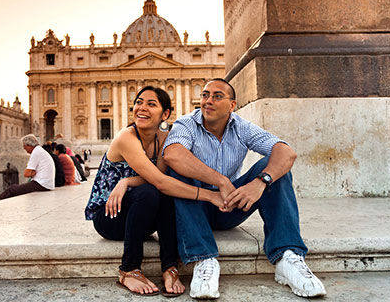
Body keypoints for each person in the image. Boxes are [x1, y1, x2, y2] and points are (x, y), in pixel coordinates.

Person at [162, 78, 327, 299]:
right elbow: (172, 154)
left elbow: (286, 153)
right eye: (205, 95)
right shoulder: (186, 123)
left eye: (217, 96)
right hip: (194, 205)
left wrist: (260, 182)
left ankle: (287, 257)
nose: (208, 101)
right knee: (180, 168)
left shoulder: (242, 127)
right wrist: (220, 181)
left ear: (232, 105)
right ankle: (204, 260)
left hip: (230, 205)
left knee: (273, 166)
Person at [85, 86, 223, 297]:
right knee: (153, 190)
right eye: (139, 102)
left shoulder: (164, 138)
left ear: (165, 114)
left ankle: (169, 267)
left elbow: (158, 176)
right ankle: (128, 269)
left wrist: (126, 182)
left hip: (141, 215)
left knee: (164, 191)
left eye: (151, 104)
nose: (142, 108)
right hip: (109, 216)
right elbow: (158, 181)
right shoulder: (126, 137)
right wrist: (210, 195)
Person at [0, 134, 55, 204]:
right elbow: (29, 173)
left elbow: (26, 173)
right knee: (16, 188)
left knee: (12, 189)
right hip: (46, 183)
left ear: (29, 145)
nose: (25, 150)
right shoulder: (40, 150)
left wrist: (31, 173)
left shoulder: (36, 152)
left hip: (42, 184)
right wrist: (32, 173)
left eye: (24, 147)